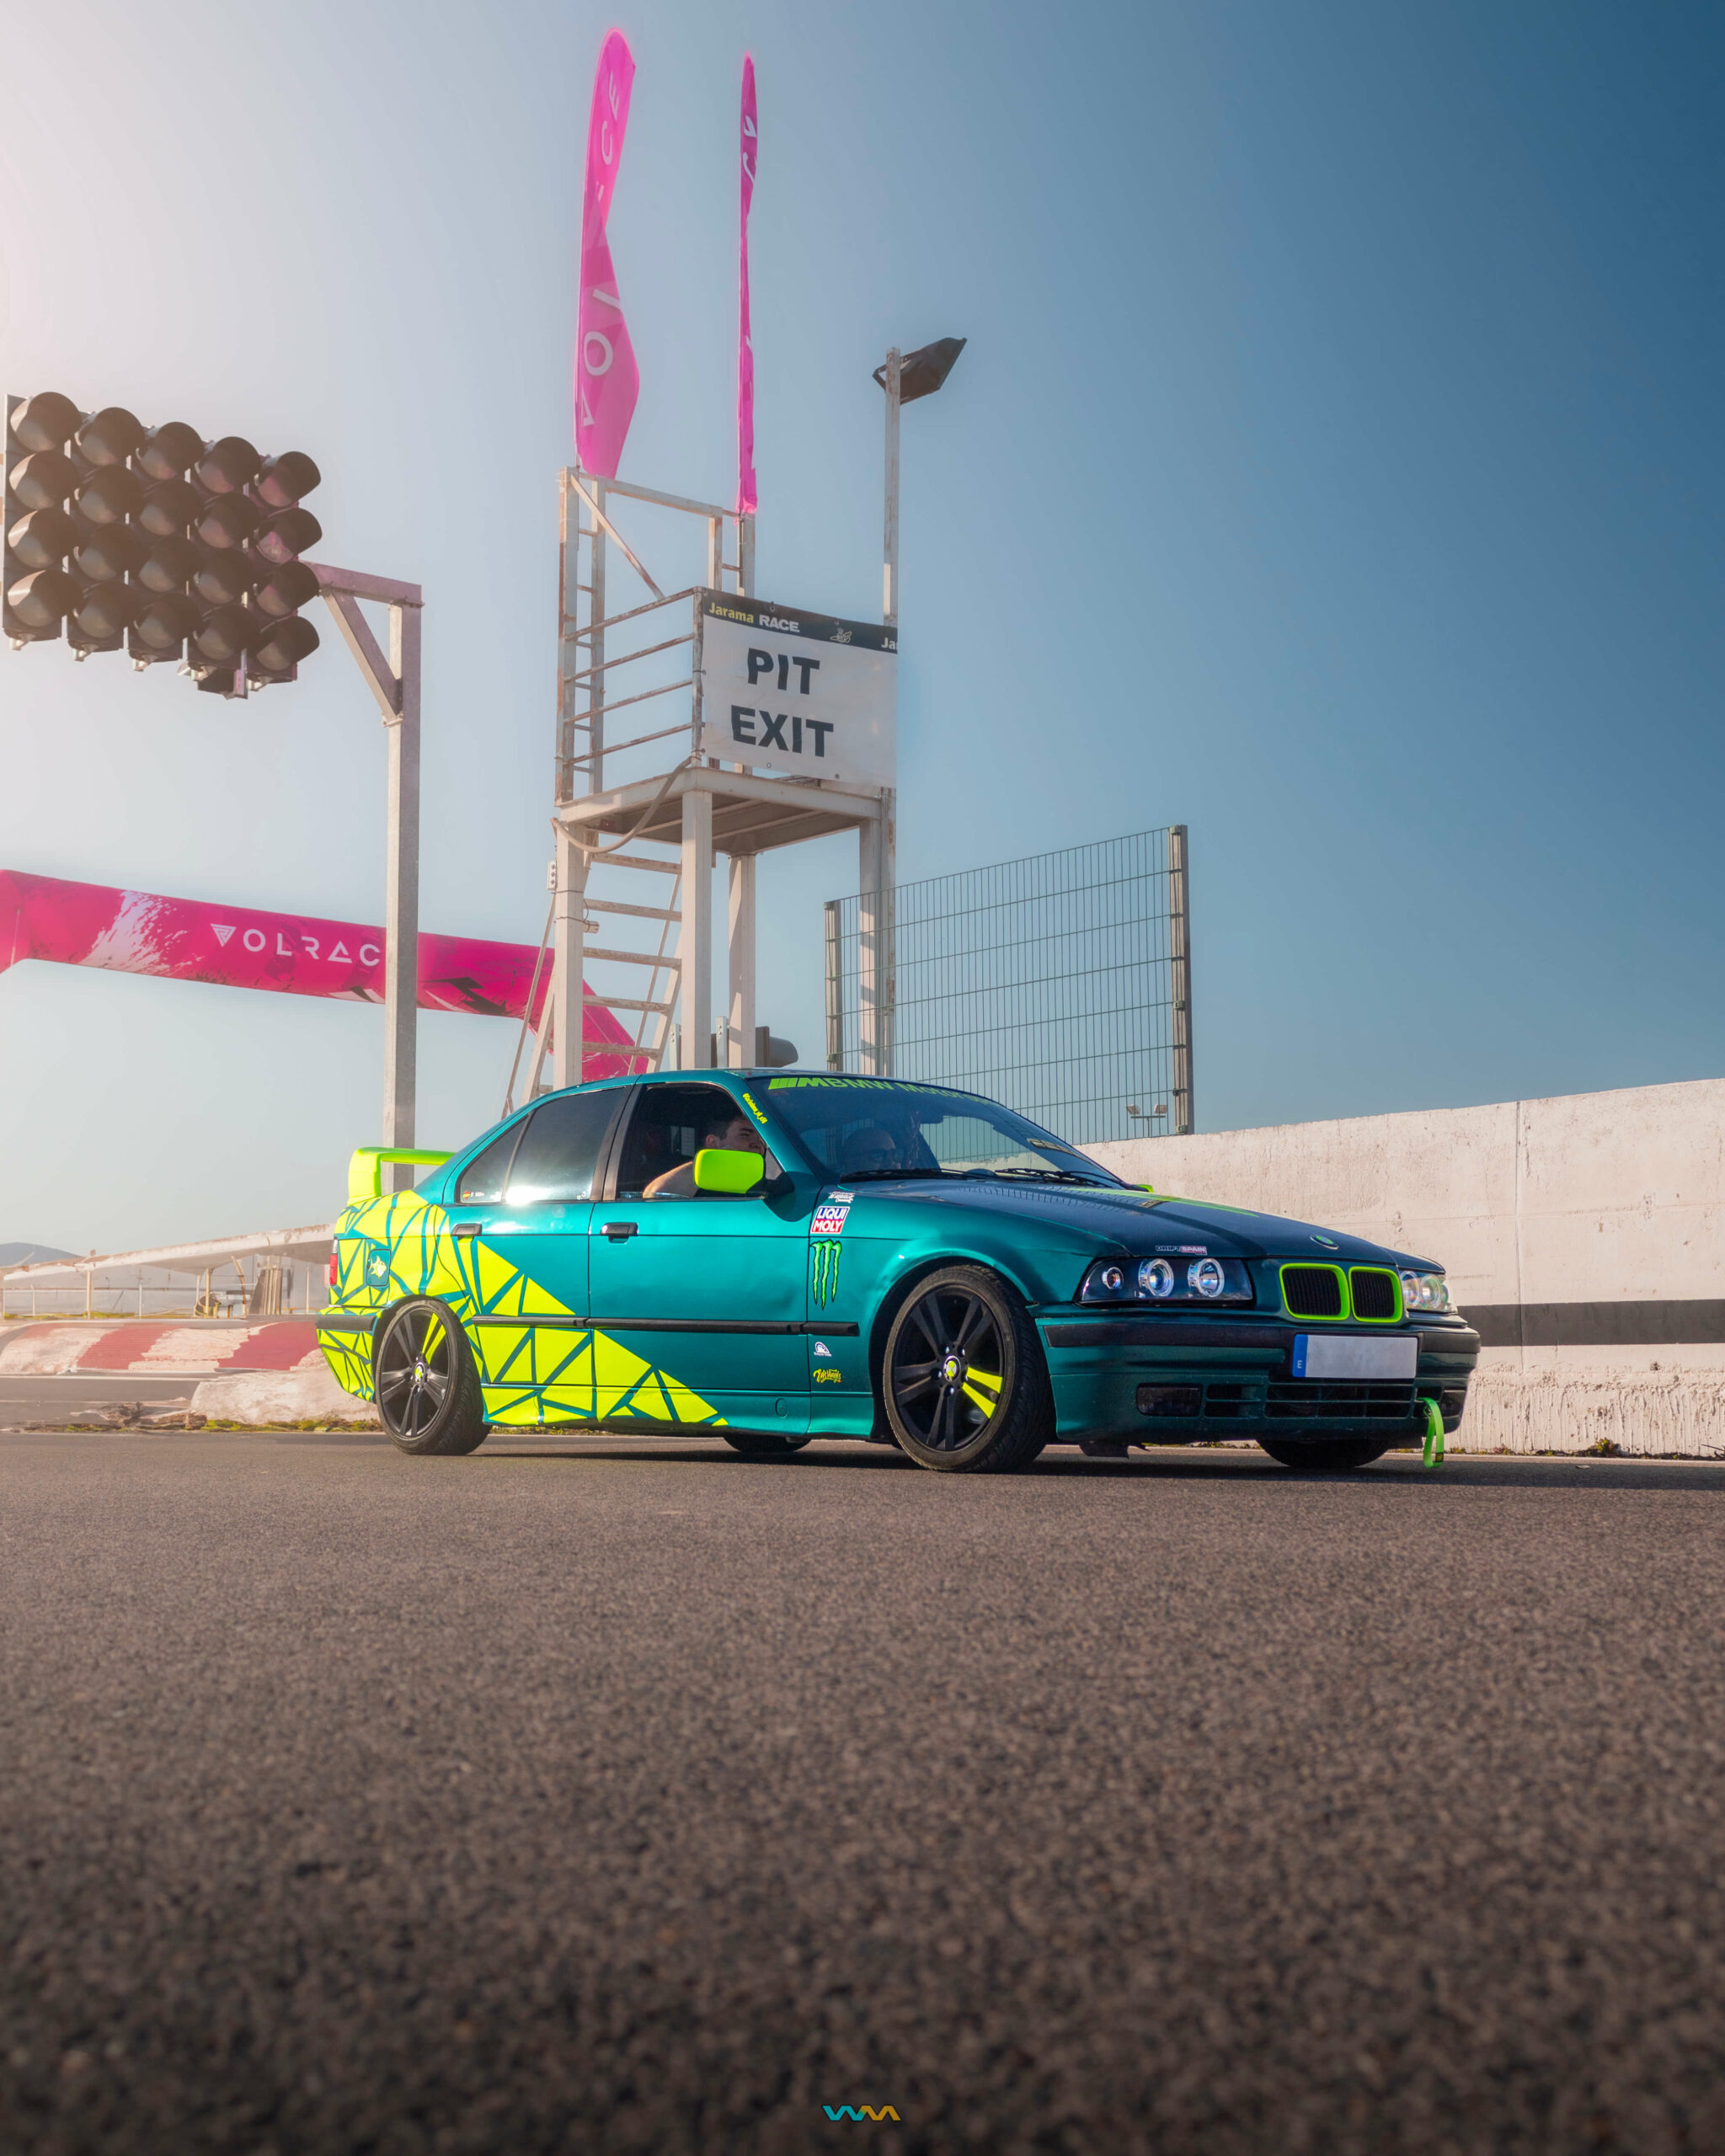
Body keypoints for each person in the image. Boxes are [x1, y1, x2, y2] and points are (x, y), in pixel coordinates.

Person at [644, 1108, 777, 1198]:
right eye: (745, 1135)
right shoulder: (699, 1191)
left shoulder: (767, 1187)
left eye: (760, 1138)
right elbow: (655, 1195)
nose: (757, 1143)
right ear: (713, 1143)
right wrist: (710, 1162)